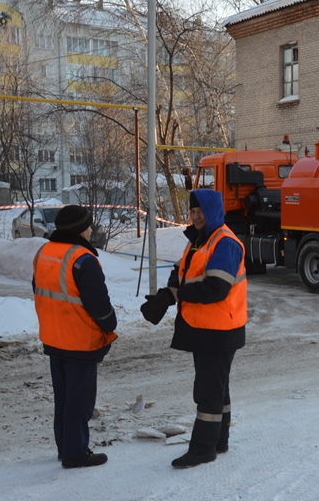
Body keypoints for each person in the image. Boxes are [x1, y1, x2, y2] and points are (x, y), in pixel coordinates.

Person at [142, 189, 247, 469]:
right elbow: (181, 270)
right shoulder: (200, 241)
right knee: (216, 387)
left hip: (219, 327)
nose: (196, 216)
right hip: (206, 327)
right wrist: (169, 291)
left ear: (213, 211)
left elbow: (216, 288)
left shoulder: (224, 242)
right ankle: (218, 441)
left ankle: (202, 449)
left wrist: (176, 295)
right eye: (193, 211)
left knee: (208, 390)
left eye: (201, 211)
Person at [32, 205, 117, 469]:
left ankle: (65, 446)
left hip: (53, 336)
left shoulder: (43, 252)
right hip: (80, 340)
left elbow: (39, 288)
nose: (91, 229)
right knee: (79, 401)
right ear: (80, 229)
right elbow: (98, 304)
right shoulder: (83, 259)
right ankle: (76, 453)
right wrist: (110, 324)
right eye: (88, 225)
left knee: (64, 397)